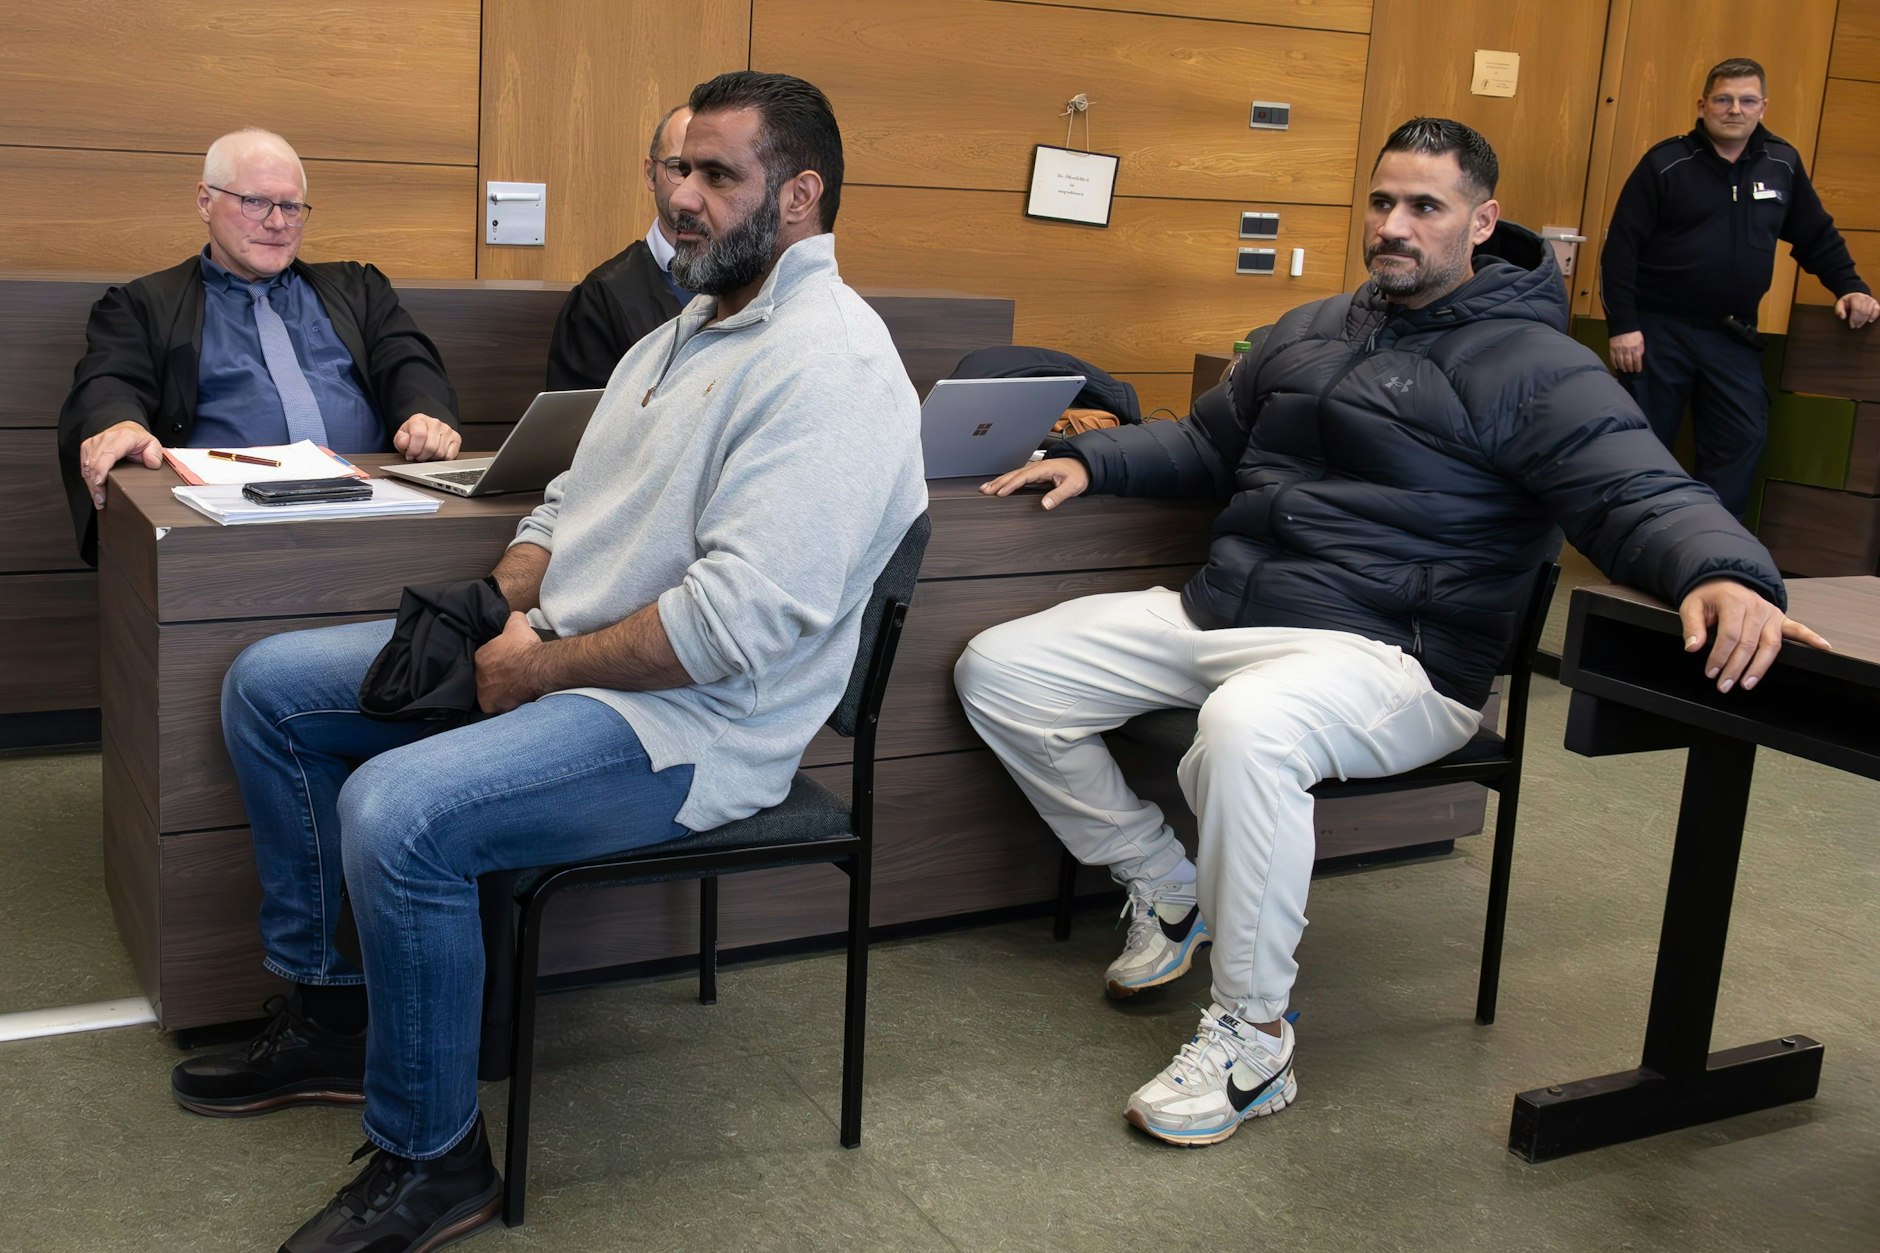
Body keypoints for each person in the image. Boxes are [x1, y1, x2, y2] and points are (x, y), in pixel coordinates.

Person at [955, 117, 1827, 1150]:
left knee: (1247, 728)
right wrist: (1093, 459)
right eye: (1381, 201)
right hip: (1233, 608)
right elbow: (1205, 439)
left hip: (1394, 654)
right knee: (1002, 669)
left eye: (1424, 206)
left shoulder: (1536, 365)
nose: (1394, 226)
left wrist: (1722, 569)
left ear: (1481, 222)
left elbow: (1636, 487)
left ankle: (1251, 1037)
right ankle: (1162, 879)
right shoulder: (1312, 327)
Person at [170, 72, 925, 1251]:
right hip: (566, 653)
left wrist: (536, 668)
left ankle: (434, 1157)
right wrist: (509, 595)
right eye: (675, 169)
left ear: (799, 196)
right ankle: (334, 1014)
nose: (680, 196)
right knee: (271, 687)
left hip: (694, 723)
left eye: (715, 174)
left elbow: (733, 628)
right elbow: (569, 497)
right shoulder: (677, 333)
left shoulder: (830, 363)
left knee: (399, 812)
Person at [56, 128, 463, 566]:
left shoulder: (359, 289)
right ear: (205, 202)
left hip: (377, 512)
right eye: (255, 202)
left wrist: (425, 414)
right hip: (223, 528)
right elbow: (110, 381)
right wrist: (119, 423)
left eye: (291, 206)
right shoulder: (143, 305)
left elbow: (408, 361)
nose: (276, 223)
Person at [1601, 56, 1880, 517]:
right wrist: (1623, 326)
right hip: (1657, 332)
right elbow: (1620, 250)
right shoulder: (1666, 163)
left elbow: (1816, 237)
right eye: (1724, 99)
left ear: (1763, 106)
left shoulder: (1781, 163)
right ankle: (1629, 537)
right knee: (1640, 445)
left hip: (1732, 334)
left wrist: (1850, 286)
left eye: (1747, 101)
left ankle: (1712, 542)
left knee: (1740, 439)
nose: (1735, 110)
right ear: (1703, 105)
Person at [545, 104, 696, 390]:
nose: (693, 188)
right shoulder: (600, 298)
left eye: (712, 173)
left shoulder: (754, 283)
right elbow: (582, 416)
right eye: (679, 168)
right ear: (650, 173)